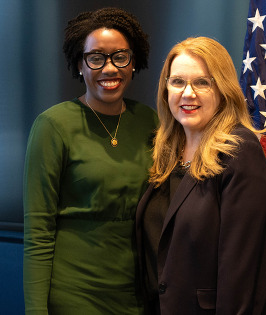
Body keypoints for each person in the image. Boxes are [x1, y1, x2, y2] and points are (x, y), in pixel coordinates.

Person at [136, 37, 266, 314]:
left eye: (202, 83)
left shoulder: (239, 151)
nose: (187, 93)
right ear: (165, 90)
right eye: (177, 82)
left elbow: (242, 275)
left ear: (223, 89)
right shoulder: (166, 152)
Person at [23, 7, 158, 314]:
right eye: (96, 58)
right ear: (79, 65)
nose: (109, 68)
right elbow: (38, 233)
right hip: (75, 295)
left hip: (138, 297)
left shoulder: (150, 121)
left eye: (120, 57)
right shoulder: (53, 126)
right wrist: (35, 310)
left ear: (133, 62)